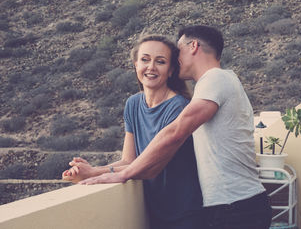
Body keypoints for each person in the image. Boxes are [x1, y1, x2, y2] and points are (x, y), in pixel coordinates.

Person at [80, 25, 272, 229]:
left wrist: (123, 174)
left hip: (236, 208)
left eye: (178, 51)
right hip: (233, 207)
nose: (176, 58)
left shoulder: (216, 78)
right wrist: (100, 171)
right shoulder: (218, 81)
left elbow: (176, 131)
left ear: (193, 46)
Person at [62, 35, 204, 229]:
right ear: (135, 64)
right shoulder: (133, 104)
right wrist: (90, 171)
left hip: (185, 213)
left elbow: (150, 164)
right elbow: (129, 160)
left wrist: (93, 173)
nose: (151, 67)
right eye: (145, 59)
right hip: (153, 210)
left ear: (171, 70)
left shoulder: (178, 107)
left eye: (160, 62)